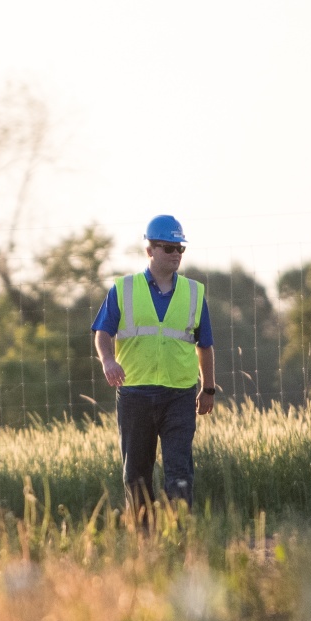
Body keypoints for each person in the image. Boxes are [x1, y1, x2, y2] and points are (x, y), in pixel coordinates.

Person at [92, 214, 217, 508]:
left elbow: (206, 346)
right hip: (135, 394)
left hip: (180, 395)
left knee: (179, 472)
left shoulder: (194, 293)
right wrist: (108, 361)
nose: (176, 254)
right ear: (150, 250)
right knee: (136, 475)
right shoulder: (123, 289)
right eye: (168, 248)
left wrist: (208, 388)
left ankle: (180, 538)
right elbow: (102, 333)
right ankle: (144, 545)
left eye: (180, 248)